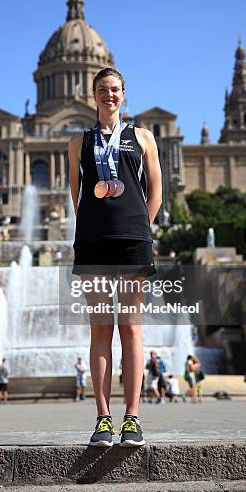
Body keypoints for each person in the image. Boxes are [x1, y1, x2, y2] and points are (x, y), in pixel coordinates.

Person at [69, 67, 162, 447]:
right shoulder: (78, 141)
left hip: (132, 241)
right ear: (93, 95)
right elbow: (74, 195)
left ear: (123, 94)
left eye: (115, 89)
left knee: (131, 328)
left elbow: (155, 192)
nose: (109, 95)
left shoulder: (143, 137)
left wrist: (141, 225)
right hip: (93, 242)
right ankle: (103, 419)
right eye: (103, 90)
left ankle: (133, 419)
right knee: (101, 329)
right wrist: (91, 226)